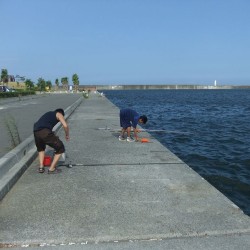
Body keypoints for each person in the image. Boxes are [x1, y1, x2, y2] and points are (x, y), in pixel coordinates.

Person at [33, 108, 69, 174]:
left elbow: (43, 124)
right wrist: (67, 135)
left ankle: (41, 167)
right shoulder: (59, 114)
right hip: (44, 131)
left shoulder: (49, 113)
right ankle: (51, 169)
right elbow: (65, 125)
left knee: (41, 149)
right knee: (60, 148)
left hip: (36, 131)